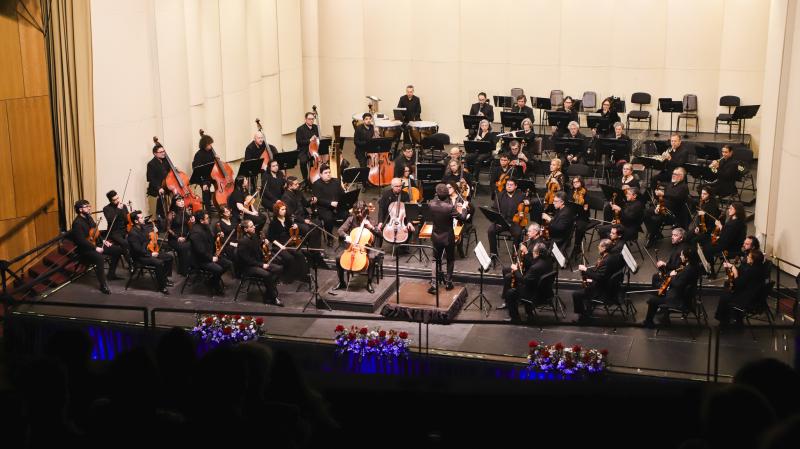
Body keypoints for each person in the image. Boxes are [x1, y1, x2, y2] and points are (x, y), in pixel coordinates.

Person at [69, 200, 122, 294]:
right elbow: (81, 241)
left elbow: (95, 231)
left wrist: (103, 240)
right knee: (100, 258)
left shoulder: (89, 218)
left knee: (117, 250)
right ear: (80, 209)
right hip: (85, 249)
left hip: (95, 244)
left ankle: (111, 274)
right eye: (86, 206)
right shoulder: (77, 223)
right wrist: (95, 248)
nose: (89, 208)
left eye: (89, 206)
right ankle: (103, 285)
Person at [642, 247, 701, 328]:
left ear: (687, 258)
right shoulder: (694, 266)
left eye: (682, 255)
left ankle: (649, 322)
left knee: (652, 300)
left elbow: (678, 284)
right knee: (658, 293)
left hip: (679, 300)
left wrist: (671, 276)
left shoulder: (688, 270)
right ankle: (662, 318)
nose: (680, 257)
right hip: (682, 296)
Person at [333, 201, 380, 294]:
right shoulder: (351, 219)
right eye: (356, 212)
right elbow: (340, 230)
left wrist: (371, 227)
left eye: (360, 212)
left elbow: (379, 234)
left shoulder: (370, 221)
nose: (358, 214)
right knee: (338, 258)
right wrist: (347, 236)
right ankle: (342, 282)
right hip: (352, 246)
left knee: (371, 259)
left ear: (365, 211)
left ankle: (369, 283)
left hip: (366, 247)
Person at [427, 183, 466, 293]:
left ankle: (434, 284)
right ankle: (449, 283)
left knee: (435, 259)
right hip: (448, 237)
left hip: (435, 236)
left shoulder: (431, 204)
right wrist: (464, 209)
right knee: (450, 259)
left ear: (437, 194)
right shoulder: (450, 207)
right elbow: (462, 218)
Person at [715, 249, 767, 326]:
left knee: (725, 297)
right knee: (727, 289)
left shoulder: (751, 271)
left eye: (749, 257)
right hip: (755, 294)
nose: (747, 258)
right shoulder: (760, 268)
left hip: (748, 299)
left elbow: (738, 285)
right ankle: (736, 317)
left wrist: (734, 271)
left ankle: (724, 321)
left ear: (752, 260)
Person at [237, 219, 282, 306]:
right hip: (248, 267)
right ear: (246, 230)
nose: (254, 227)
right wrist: (261, 264)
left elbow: (257, 248)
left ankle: (268, 293)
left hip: (257, 263)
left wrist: (262, 243)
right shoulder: (242, 242)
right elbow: (247, 260)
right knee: (267, 274)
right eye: (251, 226)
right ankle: (273, 297)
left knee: (278, 268)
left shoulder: (254, 236)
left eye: (253, 225)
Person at [503, 242, 551, 323]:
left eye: (534, 252)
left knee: (510, 293)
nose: (533, 253)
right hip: (546, 291)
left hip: (535, 295)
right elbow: (533, 264)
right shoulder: (548, 262)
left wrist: (516, 270)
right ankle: (529, 313)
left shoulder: (535, 268)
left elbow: (523, 280)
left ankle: (515, 318)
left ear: (538, 253)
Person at [126, 212, 173, 295]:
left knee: (169, 257)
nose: (143, 219)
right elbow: (138, 250)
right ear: (136, 221)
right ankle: (162, 286)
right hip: (140, 257)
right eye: (141, 218)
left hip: (148, 251)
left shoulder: (143, 227)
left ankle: (164, 279)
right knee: (159, 263)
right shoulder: (133, 233)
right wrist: (151, 255)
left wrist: (155, 229)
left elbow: (150, 233)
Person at [266, 200, 311, 282]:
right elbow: (271, 238)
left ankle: (303, 276)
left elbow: (292, 231)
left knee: (300, 254)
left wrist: (295, 227)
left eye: (285, 209)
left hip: (288, 242)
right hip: (278, 245)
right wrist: (280, 246)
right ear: (277, 211)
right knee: (289, 258)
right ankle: (289, 277)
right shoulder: (273, 223)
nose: (284, 211)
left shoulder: (287, 220)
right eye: (282, 209)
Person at [189, 211, 233, 294]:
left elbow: (210, 240)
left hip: (209, 255)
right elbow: (199, 250)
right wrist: (211, 258)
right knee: (218, 269)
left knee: (228, 264)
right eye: (207, 218)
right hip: (200, 259)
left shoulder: (206, 227)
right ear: (201, 221)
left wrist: (218, 235)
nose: (209, 219)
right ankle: (215, 284)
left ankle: (211, 281)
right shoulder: (196, 232)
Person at [644, 167, 690, 248]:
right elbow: (665, 199)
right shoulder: (670, 184)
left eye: (675, 174)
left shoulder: (684, 187)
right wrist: (658, 199)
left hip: (673, 213)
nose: (673, 175)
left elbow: (676, 197)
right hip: (663, 207)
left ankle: (652, 237)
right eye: (673, 173)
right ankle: (656, 233)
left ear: (681, 176)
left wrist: (663, 194)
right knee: (645, 213)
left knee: (655, 219)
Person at [571, 239, 614, 323]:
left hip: (601, 290)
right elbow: (599, 273)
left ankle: (583, 317)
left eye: (599, 246)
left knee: (576, 294)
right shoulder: (608, 257)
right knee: (584, 285)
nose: (598, 247)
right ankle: (588, 309)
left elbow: (599, 277)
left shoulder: (605, 261)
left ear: (604, 248)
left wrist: (586, 269)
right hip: (604, 284)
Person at [280, 176, 324, 258]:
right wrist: (303, 221)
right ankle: (313, 252)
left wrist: (311, 200)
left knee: (318, 223)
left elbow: (305, 204)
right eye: (296, 184)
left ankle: (315, 249)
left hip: (304, 216)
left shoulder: (298, 192)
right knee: (310, 229)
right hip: (295, 221)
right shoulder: (285, 197)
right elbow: (290, 214)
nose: (298, 185)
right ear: (290, 186)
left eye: (298, 184)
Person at [487, 177, 527, 260]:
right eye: (507, 185)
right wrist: (497, 218)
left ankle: (514, 254)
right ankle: (493, 253)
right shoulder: (500, 195)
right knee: (491, 230)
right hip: (503, 221)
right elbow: (494, 208)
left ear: (515, 186)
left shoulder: (521, 196)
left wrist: (528, 204)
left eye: (511, 185)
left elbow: (528, 205)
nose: (508, 186)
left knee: (518, 233)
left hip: (515, 222)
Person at [312, 163, 347, 240]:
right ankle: (330, 237)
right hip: (324, 207)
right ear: (320, 175)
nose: (328, 174)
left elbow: (342, 193)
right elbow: (318, 200)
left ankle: (342, 234)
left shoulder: (336, 181)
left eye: (329, 172)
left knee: (346, 214)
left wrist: (345, 195)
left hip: (337, 205)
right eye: (325, 173)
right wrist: (330, 203)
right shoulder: (316, 184)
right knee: (328, 219)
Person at [102, 190, 134, 269]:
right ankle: (131, 264)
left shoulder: (123, 206)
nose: (117, 201)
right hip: (114, 232)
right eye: (114, 200)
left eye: (117, 198)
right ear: (110, 200)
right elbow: (111, 220)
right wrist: (118, 210)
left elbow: (126, 220)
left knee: (135, 240)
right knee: (125, 243)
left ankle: (136, 261)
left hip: (124, 230)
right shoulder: (106, 208)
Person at [166, 195, 195, 276]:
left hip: (185, 237)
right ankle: (183, 270)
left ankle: (192, 266)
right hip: (174, 239)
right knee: (184, 247)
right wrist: (177, 237)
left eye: (182, 200)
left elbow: (191, 221)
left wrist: (192, 219)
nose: (182, 202)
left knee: (195, 244)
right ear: (175, 203)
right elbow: (168, 229)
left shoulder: (186, 211)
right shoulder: (172, 214)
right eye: (179, 201)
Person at [530, 158, 565, 224]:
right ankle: (538, 224)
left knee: (542, 208)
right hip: (548, 196)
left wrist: (557, 183)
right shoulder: (551, 174)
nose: (551, 166)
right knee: (536, 204)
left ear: (558, 166)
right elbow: (548, 188)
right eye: (551, 164)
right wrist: (547, 181)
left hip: (555, 199)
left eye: (554, 165)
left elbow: (562, 191)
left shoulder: (561, 176)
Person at [446, 181, 474, 258]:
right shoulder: (445, 198)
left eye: (449, 187)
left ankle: (460, 250)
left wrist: (467, 207)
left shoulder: (461, 198)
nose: (447, 189)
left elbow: (470, 212)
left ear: (454, 188)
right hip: (448, 221)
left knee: (459, 228)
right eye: (446, 188)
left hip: (460, 221)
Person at [192, 131, 217, 211]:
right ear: (205, 145)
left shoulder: (211, 152)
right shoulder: (198, 155)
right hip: (203, 177)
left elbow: (214, 165)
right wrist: (203, 183)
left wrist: (217, 159)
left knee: (220, 184)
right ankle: (208, 210)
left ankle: (217, 202)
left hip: (211, 175)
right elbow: (197, 170)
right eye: (209, 144)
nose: (211, 146)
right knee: (206, 189)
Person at [146, 140, 170, 220]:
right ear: (155, 154)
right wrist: (159, 188)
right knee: (161, 206)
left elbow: (169, 174)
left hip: (166, 186)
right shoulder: (151, 164)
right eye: (161, 152)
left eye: (164, 151)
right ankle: (162, 221)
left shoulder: (166, 161)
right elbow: (151, 178)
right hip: (157, 189)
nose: (163, 153)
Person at [295, 112, 320, 185]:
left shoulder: (315, 127)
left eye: (312, 119)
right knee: (303, 162)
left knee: (315, 162)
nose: (311, 120)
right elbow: (299, 142)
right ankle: (305, 179)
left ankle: (314, 178)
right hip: (303, 150)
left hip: (313, 149)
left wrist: (317, 139)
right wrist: (309, 140)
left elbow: (318, 138)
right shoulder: (300, 129)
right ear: (305, 119)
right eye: (309, 119)